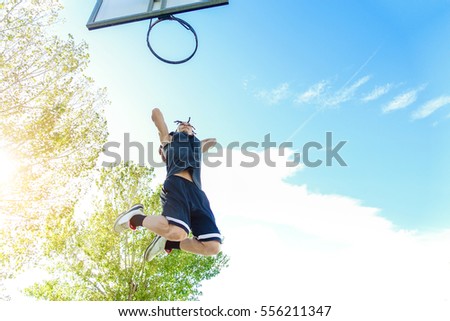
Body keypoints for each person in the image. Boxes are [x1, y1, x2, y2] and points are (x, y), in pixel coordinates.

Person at [114, 108, 223, 261]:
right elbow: (155, 114)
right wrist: (173, 132)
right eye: (181, 124)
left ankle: (169, 242)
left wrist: (190, 133)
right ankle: (136, 217)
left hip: (198, 194)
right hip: (177, 184)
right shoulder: (169, 139)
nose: (185, 124)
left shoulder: (196, 146)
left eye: (189, 124)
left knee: (213, 246)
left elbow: (213, 141)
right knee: (179, 232)